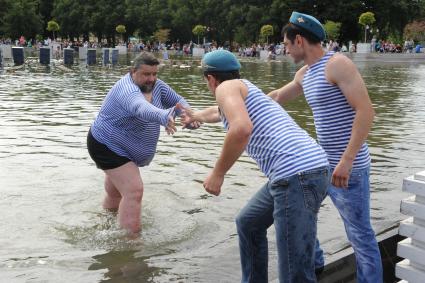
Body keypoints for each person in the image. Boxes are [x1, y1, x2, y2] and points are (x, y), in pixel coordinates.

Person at [180, 50, 330, 282]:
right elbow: (217, 113)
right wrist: (194, 116)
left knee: (293, 270)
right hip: (308, 168)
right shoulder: (244, 88)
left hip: (296, 175)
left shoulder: (224, 89)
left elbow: (241, 129)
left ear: (210, 78)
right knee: (249, 223)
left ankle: (309, 269)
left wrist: (217, 174)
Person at [268, 12, 382, 283]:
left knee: (359, 234)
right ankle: (316, 265)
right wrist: (228, 108)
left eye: (286, 44)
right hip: (319, 166)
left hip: (348, 167)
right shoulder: (305, 73)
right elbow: (275, 98)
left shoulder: (337, 64)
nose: (284, 50)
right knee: (301, 216)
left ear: (299, 40)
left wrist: (347, 160)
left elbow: (366, 111)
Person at [87, 52, 197, 234]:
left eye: (154, 74)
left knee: (116, 193)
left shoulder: (157, 86)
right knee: (134, 190)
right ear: (133, 71)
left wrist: (190, 115)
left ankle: (105, 227)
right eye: (146, 74)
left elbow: (178, 102)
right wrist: (164, 115)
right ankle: (131, 246)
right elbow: (140, 107)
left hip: (123, 147)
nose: (151, 79)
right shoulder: (127, 89)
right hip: (107, 145)